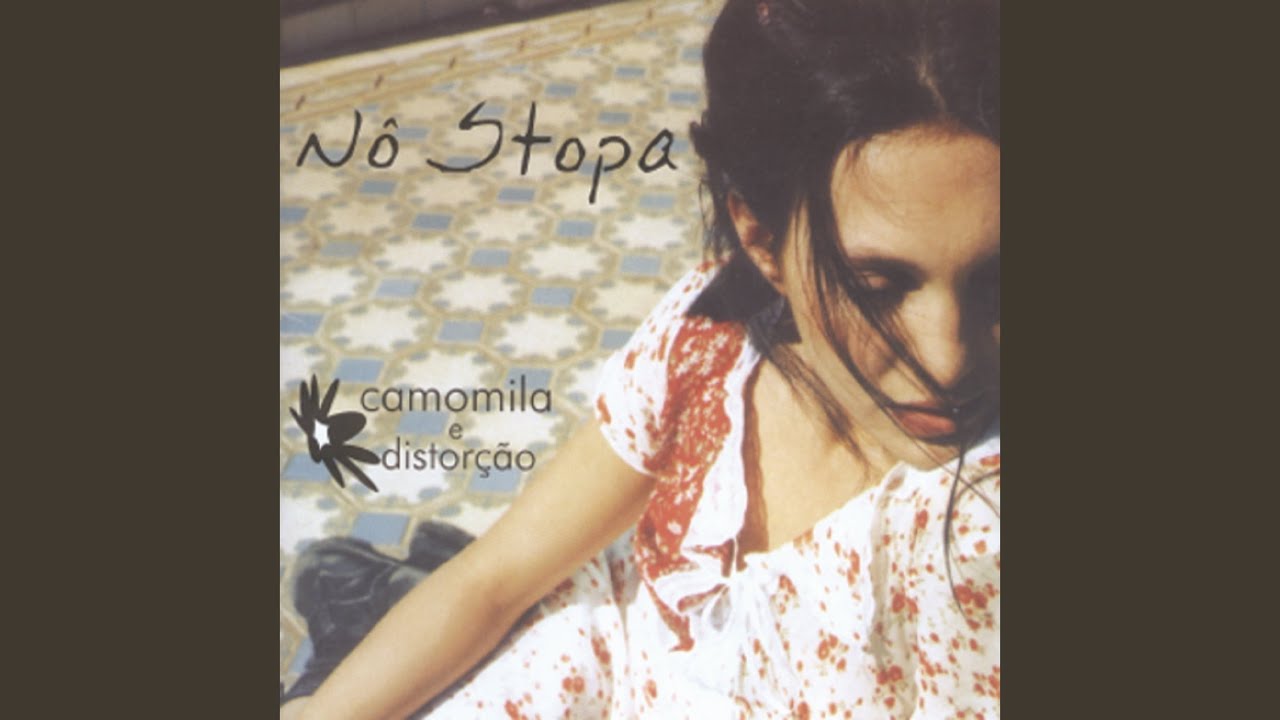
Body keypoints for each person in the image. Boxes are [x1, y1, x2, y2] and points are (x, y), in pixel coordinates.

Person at [282, 0, 1001, 716]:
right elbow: (496, 579)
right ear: (760, 240)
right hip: (600, 669)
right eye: (874, 289)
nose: (947, 360)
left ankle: (372, 601)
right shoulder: (711, 349)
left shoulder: (979, 529)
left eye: (1001, 277)